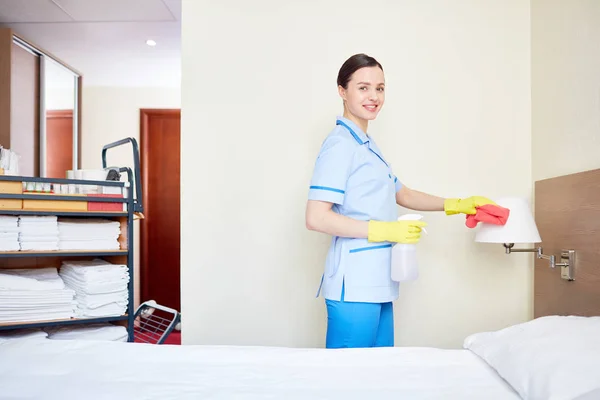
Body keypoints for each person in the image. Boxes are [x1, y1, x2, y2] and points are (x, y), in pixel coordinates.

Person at [305, 53, 495, 349]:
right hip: (353, 285)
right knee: (348, 381)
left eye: (380, 88)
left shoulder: (367, 146)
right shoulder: (340, 145)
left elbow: (401, 193)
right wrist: (383, 230)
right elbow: (316, 217)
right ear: (342, 91)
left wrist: (457, 204)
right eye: (363, 87)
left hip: (379, 280)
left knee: (381, 375)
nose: (374, 96)